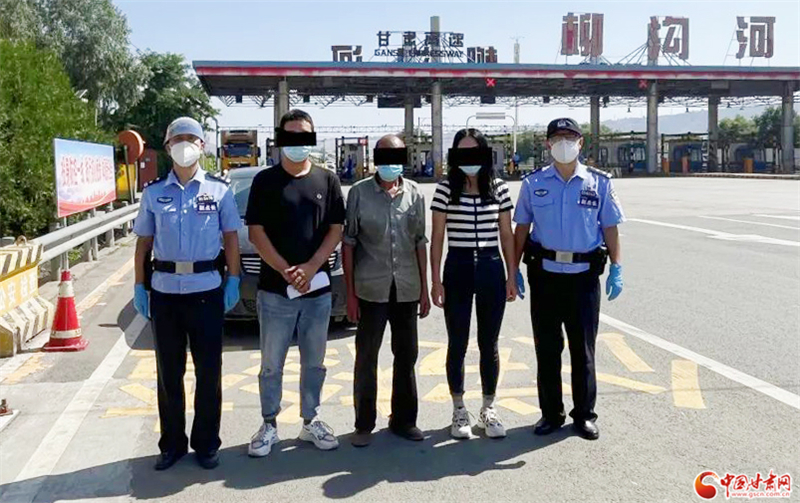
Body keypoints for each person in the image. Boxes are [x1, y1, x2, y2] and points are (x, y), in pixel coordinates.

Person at [133, 117, 242, 470]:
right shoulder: (153, 193)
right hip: (165, 293)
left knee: (209, 372)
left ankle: (207, 444)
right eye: (177, 138)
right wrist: (139, 285)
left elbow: (230, 239)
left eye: (190, 138)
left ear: (202, 146)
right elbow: (143, 243)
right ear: (167, 147)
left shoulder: (219, 190)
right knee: (169, 373)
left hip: (206, 290)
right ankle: (172, 444)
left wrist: (234, 280)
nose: (184, 144)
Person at [512, 117, 625, 441]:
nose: (564, 143)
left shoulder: (599, 183)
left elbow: (610, 228)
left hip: (583, 279)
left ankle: (584, 415)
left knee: (583, 350)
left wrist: (617, 267)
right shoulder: (533, 183)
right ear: (548, 144)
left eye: (570, 137)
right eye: (558, 137)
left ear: (580, 142)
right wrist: (513, 269)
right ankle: (551, 414)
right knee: (547, 349)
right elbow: (522, 228)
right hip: (545, 277)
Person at [245, 109, 345, 457]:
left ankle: (310, 420)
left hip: (317, 292)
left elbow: (336, 228)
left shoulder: (327, 180)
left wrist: (312, 266)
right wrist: (287, 270)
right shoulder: (265, 181)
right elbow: (255, 233)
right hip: (275, 291)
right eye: (291, 136)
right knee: (271, 363)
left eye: (304, 135)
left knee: (314, 362)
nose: (298, 143)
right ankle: (269, 424)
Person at [430, 128, 518, 440]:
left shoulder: (499, 188)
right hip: (458, 266)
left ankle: (488, 408)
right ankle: (458, 409)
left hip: (491, 266)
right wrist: (436, 280)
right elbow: (437, 237)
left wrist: (511, 274)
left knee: (489, 343)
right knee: (457, 342)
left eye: (474, 152)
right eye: (463, 153)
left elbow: (506, 234)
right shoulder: (445, 189)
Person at [343, 134, 430, 447]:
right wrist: (350, 294)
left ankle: (404, 420)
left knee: (406, 356)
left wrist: (425, 289)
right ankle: (364, 423)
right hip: (371, 289)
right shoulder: (359, 193)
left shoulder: (415, 193)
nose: (391, 163)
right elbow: (349, 244)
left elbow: (420, 242)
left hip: (407, 288)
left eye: (397, 156)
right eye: (385, 155)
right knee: (367, 356)